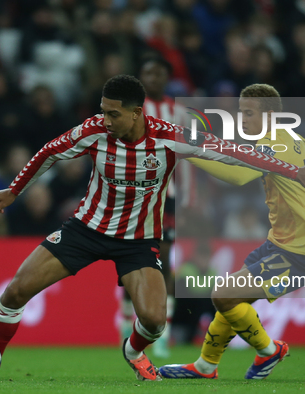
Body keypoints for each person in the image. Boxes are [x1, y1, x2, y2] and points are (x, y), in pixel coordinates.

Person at [0, 75, 305, 381]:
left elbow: (235, 153)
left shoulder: (170, 138)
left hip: (138, 241)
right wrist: (14, 190)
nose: (106, 118)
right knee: (16, 290)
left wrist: (297, 171)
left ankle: (133, 352)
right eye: (103, 110)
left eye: (114, 112)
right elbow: (49, 151)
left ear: (137, 112)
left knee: (153, 320)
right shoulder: (93, 131)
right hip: (85, 228)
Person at [160, 83, 305, 380]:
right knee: (230, 301)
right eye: (241, 112)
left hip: (300, 254)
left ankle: (269, 350)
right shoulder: (292, 139)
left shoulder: (270, 144)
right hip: (279, 244)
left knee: (223, 296)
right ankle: (205, 366)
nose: (242, 118)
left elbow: (240, 176)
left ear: (269, 115)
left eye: (248, 113)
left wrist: (189, 154)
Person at [117, 56, 177, 358]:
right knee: (130, 255)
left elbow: (191, 155)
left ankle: (160, 332)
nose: (153, 78)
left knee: (164, 260)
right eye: (148, 73)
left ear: (166, 77)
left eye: (158, 72)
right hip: (132, 194)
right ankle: (126, 318)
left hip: (171, 196)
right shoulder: (129, 111)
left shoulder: (179, 112)